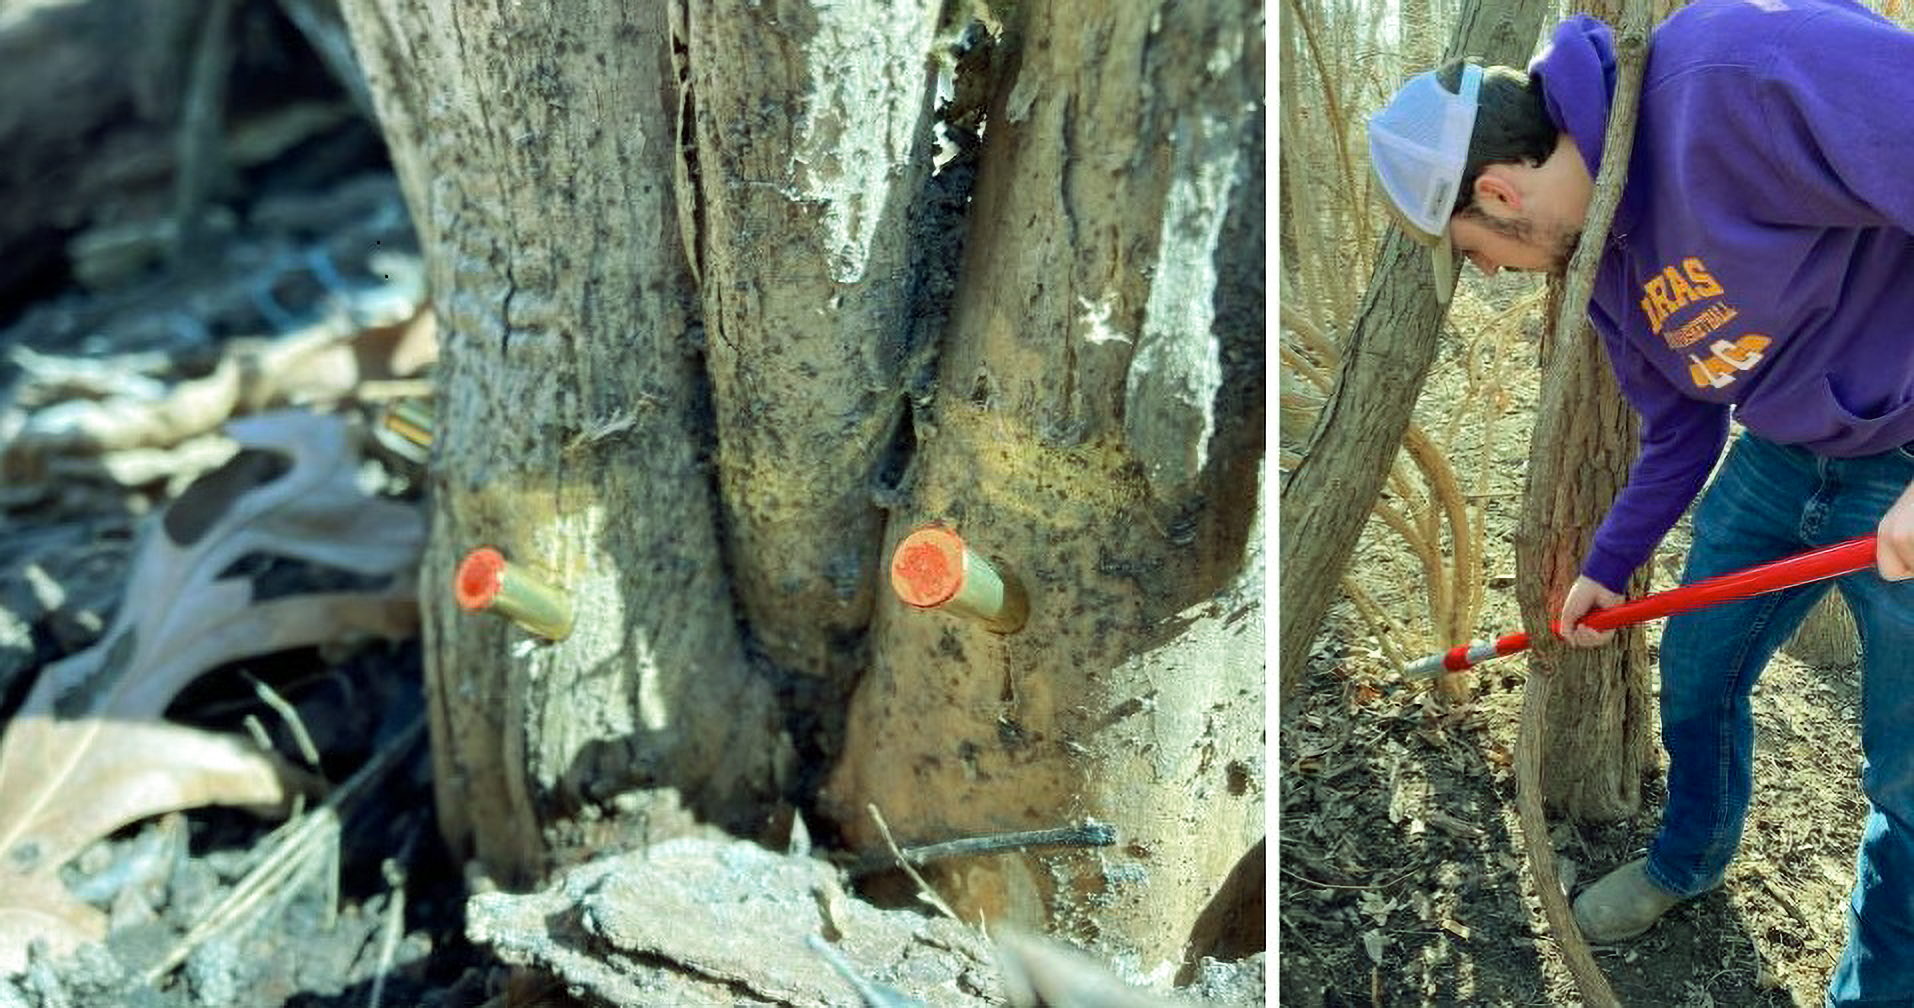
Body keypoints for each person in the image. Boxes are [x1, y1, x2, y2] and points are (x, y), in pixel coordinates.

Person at [1366, 1, 1914, 1004]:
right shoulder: (1606, 257)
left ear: (1496, 189)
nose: (1490, 271)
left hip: (1905, 457)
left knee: (1908, 778)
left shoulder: (1735, 70)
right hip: (1782, 456)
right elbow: (1680, 430)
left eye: (1477, 251)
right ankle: (1689, 860)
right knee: (1699, 681)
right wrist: (1605, 566)